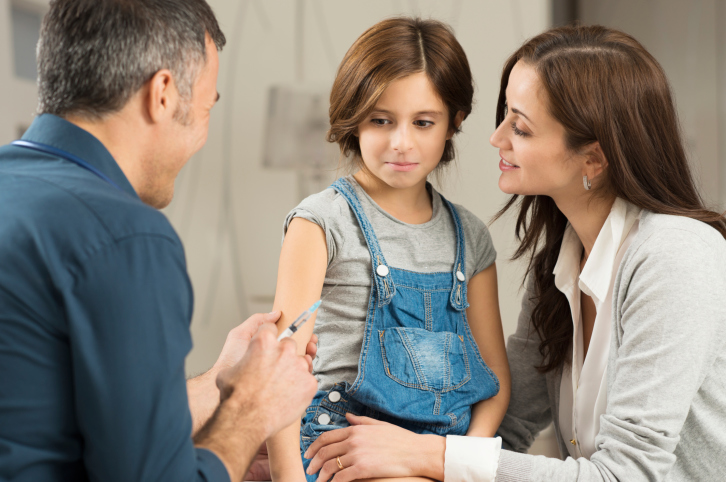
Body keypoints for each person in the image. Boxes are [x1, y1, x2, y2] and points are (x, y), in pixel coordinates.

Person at [302, 24, 726, 482]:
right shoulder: (558, 265)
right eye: (504, 116)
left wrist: (427, 456)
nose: (496, 138)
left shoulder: (676, 255)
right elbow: (507, 424)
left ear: (594, 159)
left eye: (520, 127)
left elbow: (628, 475)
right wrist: (343, 453)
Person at [0, 1, 318, 481]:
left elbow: (57, 414)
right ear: (163, 93)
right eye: (208, 106)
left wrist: (219, 385)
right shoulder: (124, 236)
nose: (205, 133)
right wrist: (251, 413)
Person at [267, 17, 511, 482]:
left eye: (423, 122)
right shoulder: (320, 222)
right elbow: (279, 367)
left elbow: (495, 383)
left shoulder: (471, 238)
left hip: (439, 455)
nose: (402, 142)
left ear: (453, 123)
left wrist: (457, 462)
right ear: (354, 119)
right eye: (381, 120)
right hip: (338, 447)